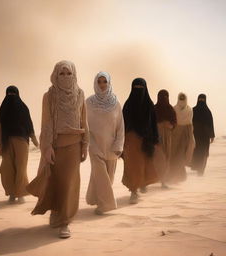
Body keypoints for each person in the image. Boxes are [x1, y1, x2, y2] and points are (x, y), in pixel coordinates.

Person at [27, 60, 89, 239]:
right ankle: (56, 213)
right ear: (55, 74)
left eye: (69, 73)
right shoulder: (49, 96)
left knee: (69, 183)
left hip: (74, 146)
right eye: (61, 73)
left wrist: (85, 144)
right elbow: (46, 123)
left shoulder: (80, 94)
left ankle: (65, 222)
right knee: (55, 181)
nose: (65, 77)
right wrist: (46, 147)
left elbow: (84, 121)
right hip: (55, 145)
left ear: (74, 74)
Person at [86, 72, 124, 215]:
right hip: (94, 145)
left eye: (104, 82)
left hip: (112, 146)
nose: (102, 84)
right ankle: (106, 205)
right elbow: (83, 123)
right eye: (99, 81)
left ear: (109, 83)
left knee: (108, 177)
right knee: (101, 175)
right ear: (96, 83)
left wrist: (119, 145)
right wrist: (85, 142)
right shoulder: (88, 102)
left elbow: (121, 126)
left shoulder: (116, 103)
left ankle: (97, 199)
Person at [0, 85, 38, 204]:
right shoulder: (3, 108)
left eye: (13, 93)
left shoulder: (23, 107)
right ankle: (11, 193)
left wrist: (34, 139)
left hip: (22, 141)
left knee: (21, 168)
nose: (11, 96)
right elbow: (0, 127)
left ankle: (20, 194)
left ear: (17, 94)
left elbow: (28, 123)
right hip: (7, 141)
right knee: (7, 169)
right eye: (9, 94)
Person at [122, 78, 159, 204]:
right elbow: (122, 124)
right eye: (136, 88)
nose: (138, 91)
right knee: (133, 166)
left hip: (146, 140)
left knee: (145, 164)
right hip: (131, 140)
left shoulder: (149, 104)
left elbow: (154, 124)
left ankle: (142, 183)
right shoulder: (127, 105)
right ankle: (133, 191)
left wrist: (155, 139)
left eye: (141, 88)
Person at [169, 92, 195, 183]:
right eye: (181, 98)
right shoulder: (174, 109)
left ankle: (178, 177)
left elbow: (190, 124)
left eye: (183, 99)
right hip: (175, 134)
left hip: (185, 135)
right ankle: (175, 177)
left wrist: (190, 137)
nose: (182, 101)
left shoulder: (190, 109)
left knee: (181, 155)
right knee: (175, 155)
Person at [154, 89, 177, 189]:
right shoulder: (154, 109)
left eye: (166, 97)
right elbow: (150, 122)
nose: (164, 99)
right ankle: (154, 178)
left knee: (166, 157)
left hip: (167, 136)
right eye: (162, 97)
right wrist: (159, 125)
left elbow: (174, 122)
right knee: (157, 157)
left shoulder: (170, 109)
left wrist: (170, 126)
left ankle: (163, 180)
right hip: (156, 136)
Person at [191, 94, 215, 176]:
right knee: (199, 152)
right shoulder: (206, 111)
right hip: (200, 136)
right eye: (200, 99)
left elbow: (211, 124)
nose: (201, 101)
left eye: (202, 99)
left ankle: (199, 170)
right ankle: (199, 170)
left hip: (201, 136)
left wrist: (212, 135)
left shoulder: (194, 110)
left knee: (201, 152)